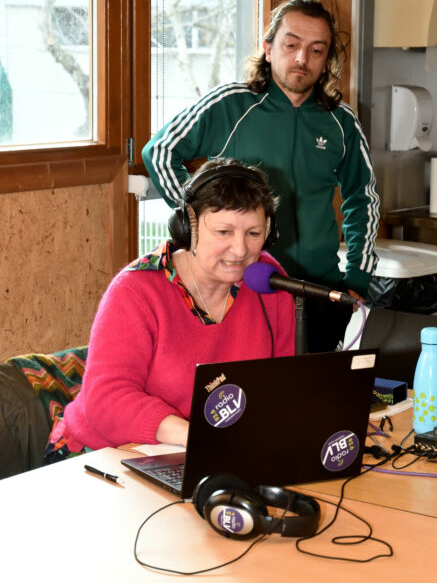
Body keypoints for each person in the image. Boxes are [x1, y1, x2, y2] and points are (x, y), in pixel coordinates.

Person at [142, 0, 379, 354]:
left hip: (318, 289)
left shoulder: (341, 122)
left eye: (317, 50)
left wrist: (357, 275)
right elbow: (158, 152)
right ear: (268, 49)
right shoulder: (231, 104)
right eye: (291, 45)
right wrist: (198, 221)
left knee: (314, 397)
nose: (302, 59)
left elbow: (364, 198)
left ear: (326, 60)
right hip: (246, 283)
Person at [44, 159, 295, 460]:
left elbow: (284, 382)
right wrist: (198, 437)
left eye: (253, 234)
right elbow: (105, 400)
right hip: (103, 452)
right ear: (189, 227)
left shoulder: (268, 280)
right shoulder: (136, 290)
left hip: (214, 451)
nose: (241, 250)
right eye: (224, 232)